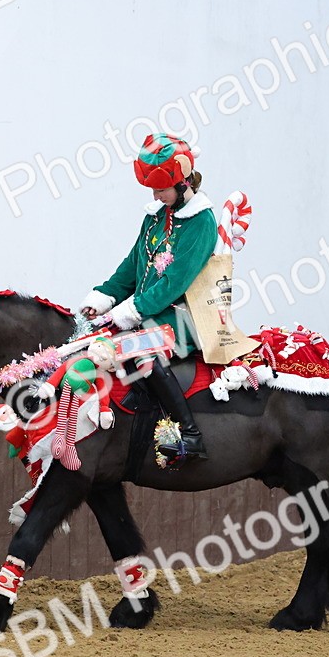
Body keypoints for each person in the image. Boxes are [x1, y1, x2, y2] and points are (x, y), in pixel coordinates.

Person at [79, 132, 215, 460]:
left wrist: (133, 310)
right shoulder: (154, 216)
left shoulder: (201, 222)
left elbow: (173, 283)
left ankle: (190, 435)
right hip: (144, 313)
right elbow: (132, 265)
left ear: (183, 184)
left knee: (142, 354)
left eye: (160, 188)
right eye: (152, 189)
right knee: (94, 343)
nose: (155, 194)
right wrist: (104, 296)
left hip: (183, 318)